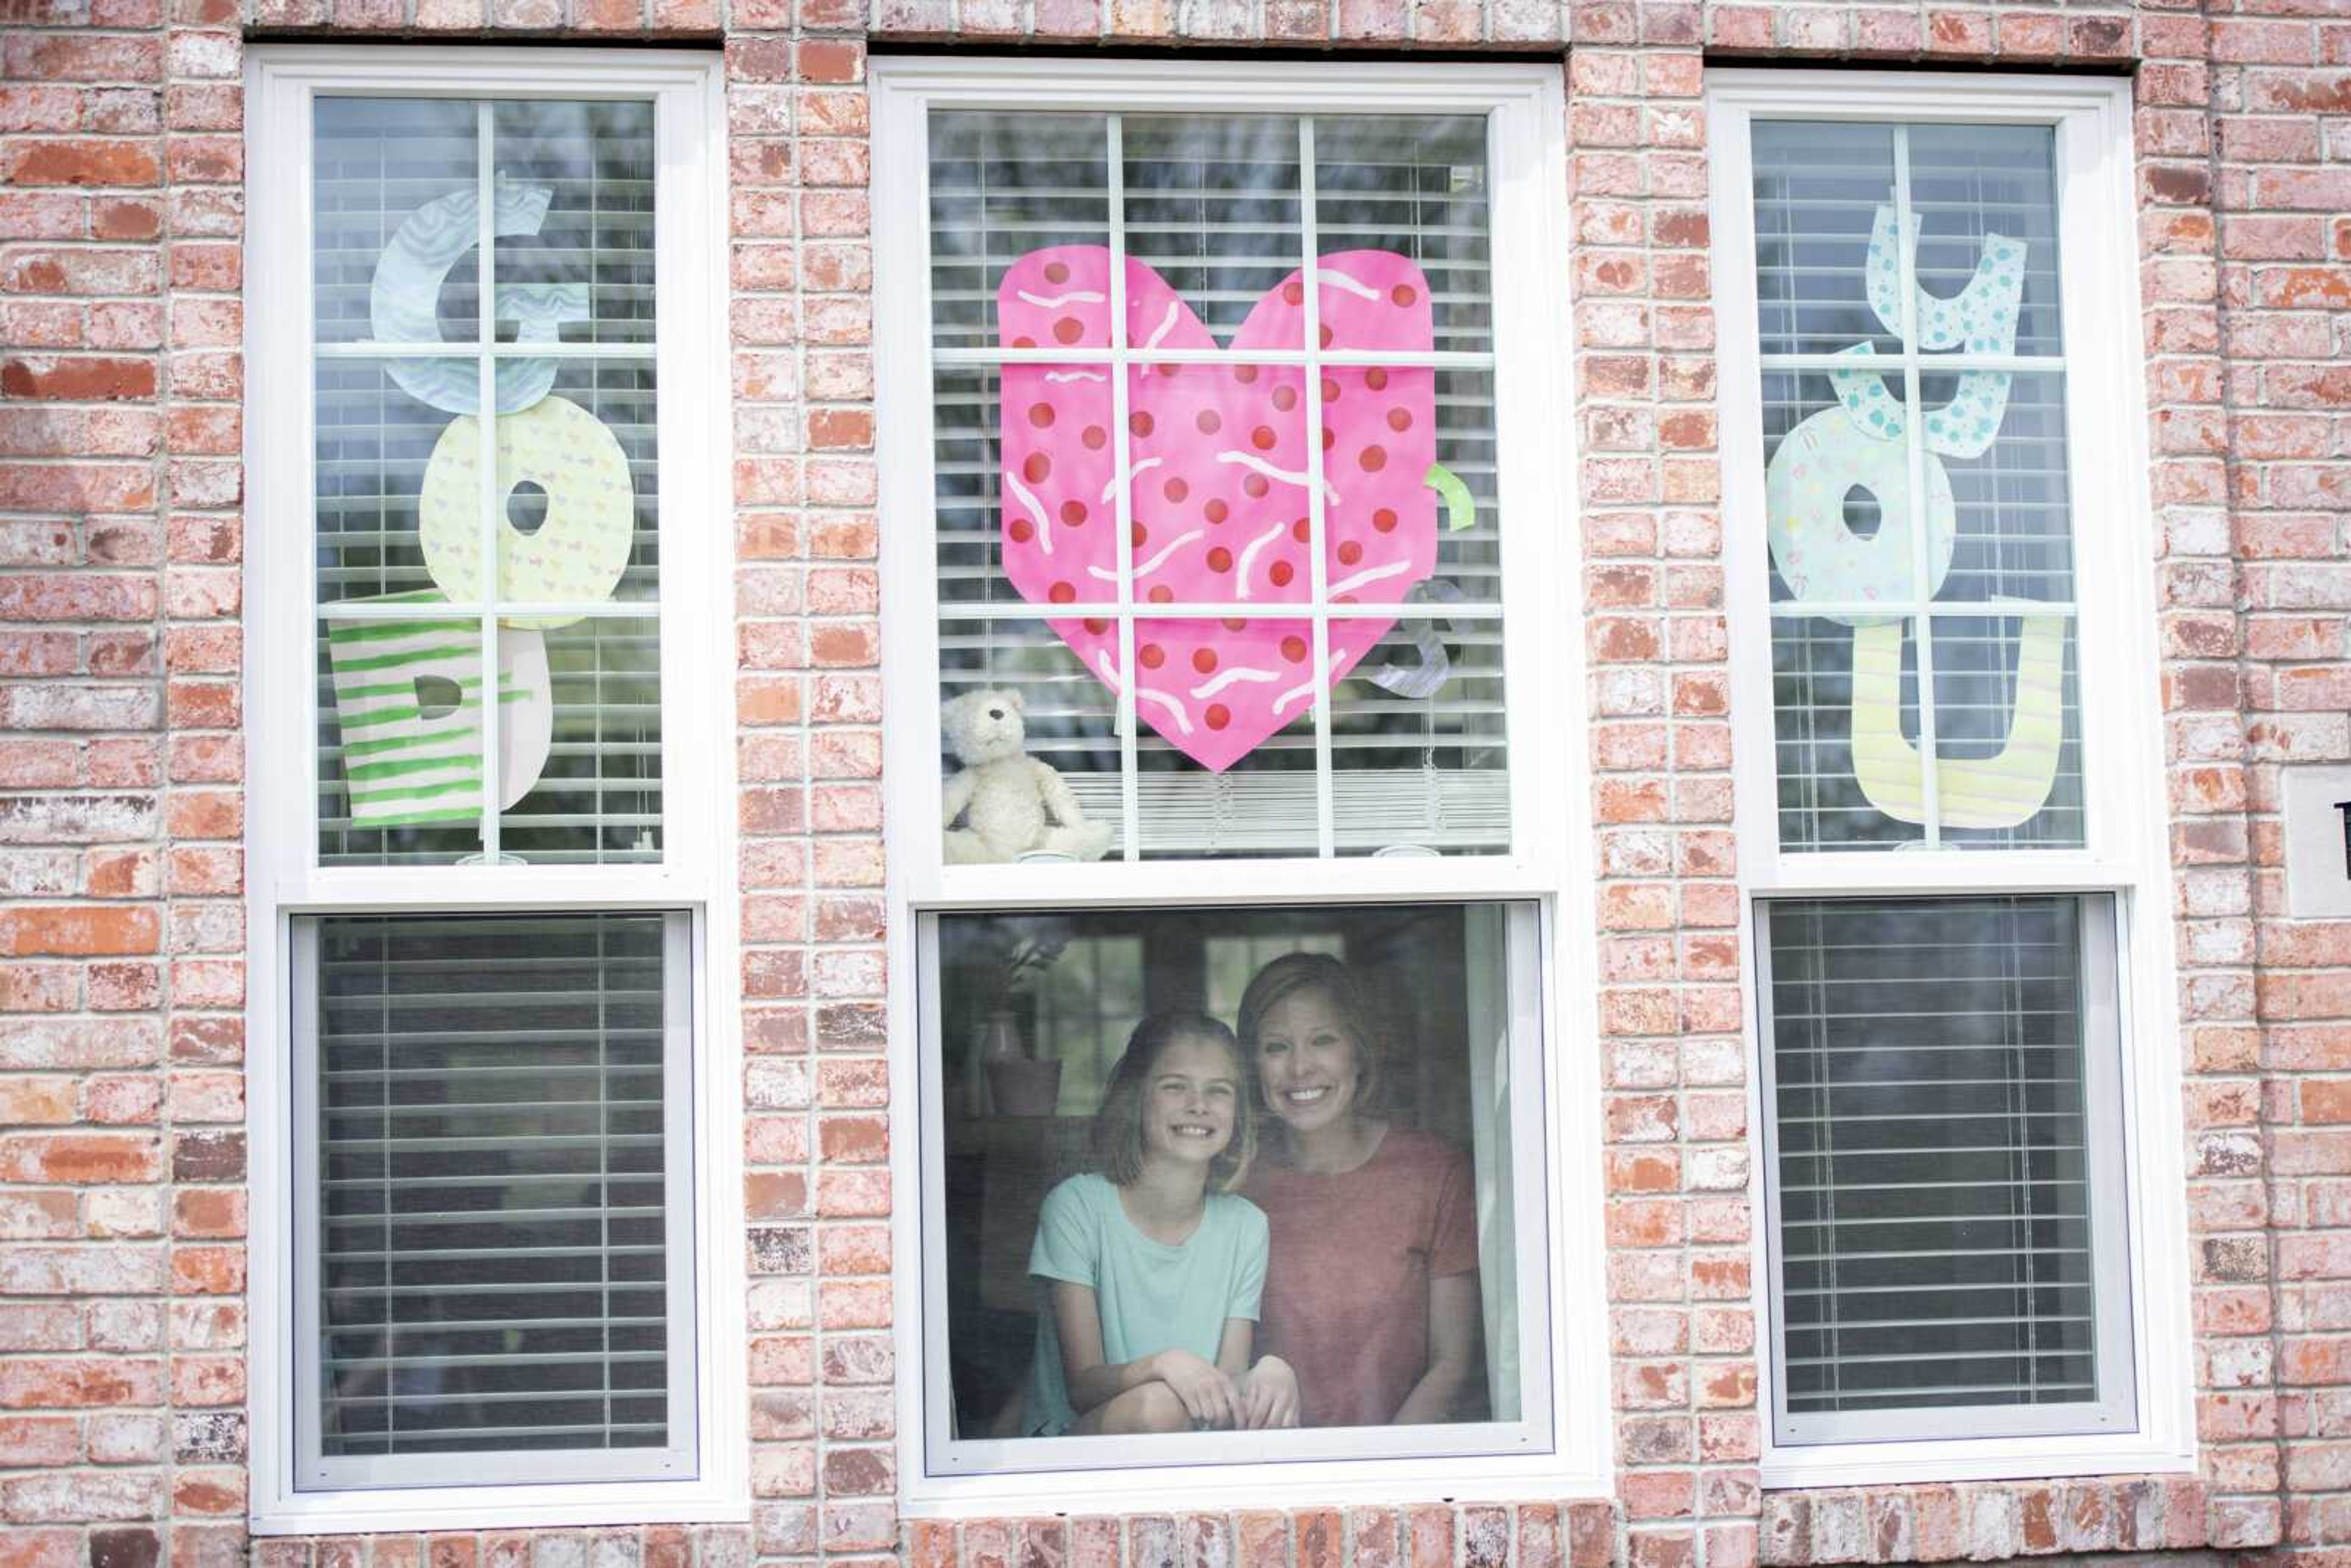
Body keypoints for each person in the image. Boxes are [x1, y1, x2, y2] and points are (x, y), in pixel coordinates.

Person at [1022, 1011, 1301, 1435]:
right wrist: (1162, 1364)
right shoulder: (1076, 1207)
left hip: (1190, 1444)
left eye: (1219, 1091)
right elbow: (1082, 1386)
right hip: (1073, 1445)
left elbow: (1225, 1392)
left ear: (1238, 1113)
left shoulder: (1246, 1226)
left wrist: (1274, 1371)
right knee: (1159, 1404)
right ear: (1137, 1098)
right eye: (1175, 1086)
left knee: (1271, 1391)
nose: (1199, 1105)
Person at [1238, 953, 1481, 1428]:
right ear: (1254, 1063)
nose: (1300, 1067)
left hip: (1399, 1468)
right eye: (1276, 1046)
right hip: (1269, 1469)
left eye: (1323, 1040)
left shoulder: (1432, 1171)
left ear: (1361, 1050)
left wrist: (1391, 1473)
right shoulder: (1237, 1185)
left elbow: (1451, 1363)